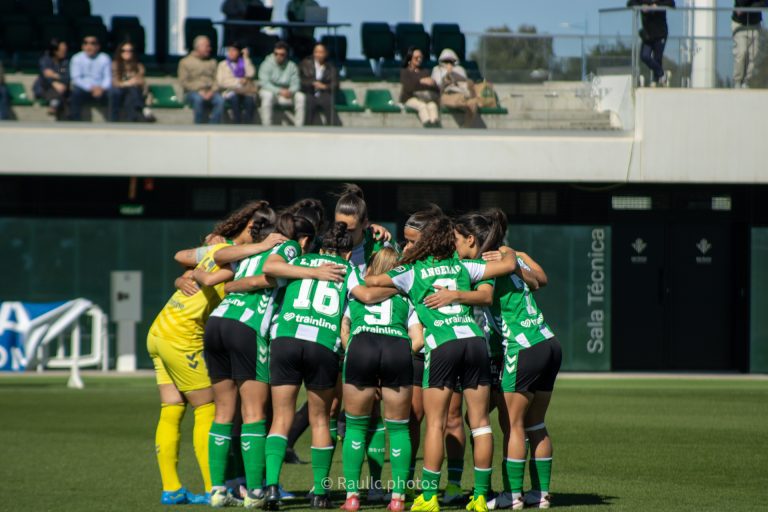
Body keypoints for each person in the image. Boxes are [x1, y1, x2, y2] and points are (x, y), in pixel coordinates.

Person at [365, 212, 519, 512]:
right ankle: (480, 498)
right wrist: (507, 250)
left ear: (425, 243)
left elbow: (371, 281)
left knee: (434, 424)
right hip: (475, 343)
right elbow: (508, 265)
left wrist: (399, 279)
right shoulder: (463, 264)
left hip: (443, 345)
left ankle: (429, 497)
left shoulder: (412, 270)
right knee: (481, 424)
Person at [147, 202, 281, 506]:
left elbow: (184, 259)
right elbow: (205, 275)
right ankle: (214, 489)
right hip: (182, 335)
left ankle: (172, 489)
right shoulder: (234, 254)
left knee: (172, 408)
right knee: (208, 407)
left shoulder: (221, 247)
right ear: (255, 230)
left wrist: (185, 275)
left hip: (160, 329)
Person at [260, 222, 396, 510]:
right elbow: (367, 296)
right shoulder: (348, 270)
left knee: (280, 417)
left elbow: (270, 269)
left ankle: (271, 487)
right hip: (321, 344)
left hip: (285, 340)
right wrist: (401, 287)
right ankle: (320, 492)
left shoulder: (298, 260)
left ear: (319, 246)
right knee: (321, 418)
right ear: (348, 254)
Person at [339, 247, 423, 512]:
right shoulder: (407, 296)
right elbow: (418, 341)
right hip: (397, 347)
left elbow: (344, 328)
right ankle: (397, 499)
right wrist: (394, 357)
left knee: (355, 427)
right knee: (398, 428)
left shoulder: (358, 291)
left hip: (362, 344)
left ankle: (352, 498)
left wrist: (356, 353)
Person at [179, 35, 225, 124]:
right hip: (192, 92)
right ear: (198, 47)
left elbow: (217, 80)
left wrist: (212, 91)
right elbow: (183, 82)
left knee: (220, 101)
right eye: (206, 46)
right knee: (198, 99)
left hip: (210, 91)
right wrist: (199, 90)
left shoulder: (212, 62)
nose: (209, 49)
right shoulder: (185, 62)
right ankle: (199, 126)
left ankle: (213, 127)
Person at [258, 41, 306, 126]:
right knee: (267, 96)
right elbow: (264, 83)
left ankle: (299, 128)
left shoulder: (292, 66)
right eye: (276, 54)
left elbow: (296, 83)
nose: (278, 56)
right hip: (271, 92)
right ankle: (266, 126)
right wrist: (279, 91)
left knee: (301, 97)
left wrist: (290, 91)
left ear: (286, 54)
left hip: (288, 94)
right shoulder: (266, 64)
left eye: (282, 54)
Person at [628, 0, 675, 87]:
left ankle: (656, 79)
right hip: (648, 35)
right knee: (644, 56)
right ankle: (662, 74)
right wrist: (642, 5)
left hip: (660, 34)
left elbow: (671, 3)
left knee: (657, 58)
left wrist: (657, 5)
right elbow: (630, 3)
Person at [431, 48, 478, 129]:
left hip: (462, 94)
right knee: (460, 99)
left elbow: (465, 84)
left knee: (473, 104)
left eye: (451, 61)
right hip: (446, 95)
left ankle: (465, 128)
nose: (448, 63)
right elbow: (438, 88)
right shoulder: (437, 70)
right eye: (446, 61)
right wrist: (447, 75)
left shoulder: (460, 69)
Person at [68, 35, 111, 121]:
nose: (89, 46)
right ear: (82, 46)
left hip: (101, 90)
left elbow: (108, 77)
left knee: (114, 93)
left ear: (98, 46)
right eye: (86, 43)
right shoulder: (76, 58)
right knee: (75, 93)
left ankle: (114, 122)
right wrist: (90, 88)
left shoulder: (104, 58)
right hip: (84, 89)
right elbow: (76, 78)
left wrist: (102, 88)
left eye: (93, 43)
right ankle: (75, 123)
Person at [300, 43, 339, 126]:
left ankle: (334, 128)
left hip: (324, 93)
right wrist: (312, 83)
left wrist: (324, 86)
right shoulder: (305, 64)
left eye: (321, 52)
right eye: (316, 52)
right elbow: (300, 80)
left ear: (326, 53)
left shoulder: (331, 67)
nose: (318, 54)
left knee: (328, 102)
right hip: (309, 92)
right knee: (309, 104)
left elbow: (335, 85)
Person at [217, 42, 257, 124]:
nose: (231, 53)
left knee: (249, 100)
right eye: (229, 50)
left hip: (245, 91)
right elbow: (221, 82)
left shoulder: (243, 62)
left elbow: (251, 73)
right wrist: (238, 81)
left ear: (239, 52)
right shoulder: (222, 65)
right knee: (235, 98)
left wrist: (246, 58)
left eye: (234, 50)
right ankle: (237, 124)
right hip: (230, 91)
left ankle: (248, 125)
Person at [400, 47, 440, 128]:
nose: (419, 59)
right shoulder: (405, 72)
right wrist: (421, 82)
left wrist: (432, 83)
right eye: (416, 57)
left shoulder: (425, 71)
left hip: (425, 98)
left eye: (420, 57)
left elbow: (435, 89)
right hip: (410, 98)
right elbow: (408, 88)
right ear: (410, 58)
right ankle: (428, 125)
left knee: (432, 105)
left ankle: (435, 125)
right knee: (422, 106)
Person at [109, 41, 147, 122]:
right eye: (124, 50)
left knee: (131, 93)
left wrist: (128, 83)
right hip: (118, 91)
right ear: (120, 52)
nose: (127, 53)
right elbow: (115, 82)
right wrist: (128, 83)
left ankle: (132, 118)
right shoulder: (114, 65)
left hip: (133, 91)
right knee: (118, 92)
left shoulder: (138, 66)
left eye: (130, 51)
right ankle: (141, 108)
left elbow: (140, 81)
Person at [33, 38, 70, 117]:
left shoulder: (64, 62)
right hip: (44, 87)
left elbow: (65, 77)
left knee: (63, 90)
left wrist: (55, 75)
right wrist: (54, 82)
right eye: (62, 50)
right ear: (55, 51)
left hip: (61, 87)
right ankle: (56, 104)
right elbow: (45, 76)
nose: (64, 52)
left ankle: (54, 103)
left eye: (65, 50)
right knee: (57, 91)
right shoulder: (45, 60)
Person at [732, 0, 765, 88]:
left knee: (754, 56)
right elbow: (741, 2)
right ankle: (738, 81)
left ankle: (748, 81)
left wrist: (747, 8)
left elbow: (764, 3)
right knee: (741, 53)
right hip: (740, 25)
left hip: (755, 25)